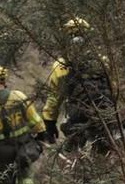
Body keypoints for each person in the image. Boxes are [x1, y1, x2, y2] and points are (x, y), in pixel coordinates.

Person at [40, 17, 114, 151]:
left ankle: (76, 158)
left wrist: (49, 122)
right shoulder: (103, 60)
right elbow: (114, 87)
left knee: (72, 150)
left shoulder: (60, 65)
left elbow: (54, 97)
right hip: (106, 111)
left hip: (79, 116)